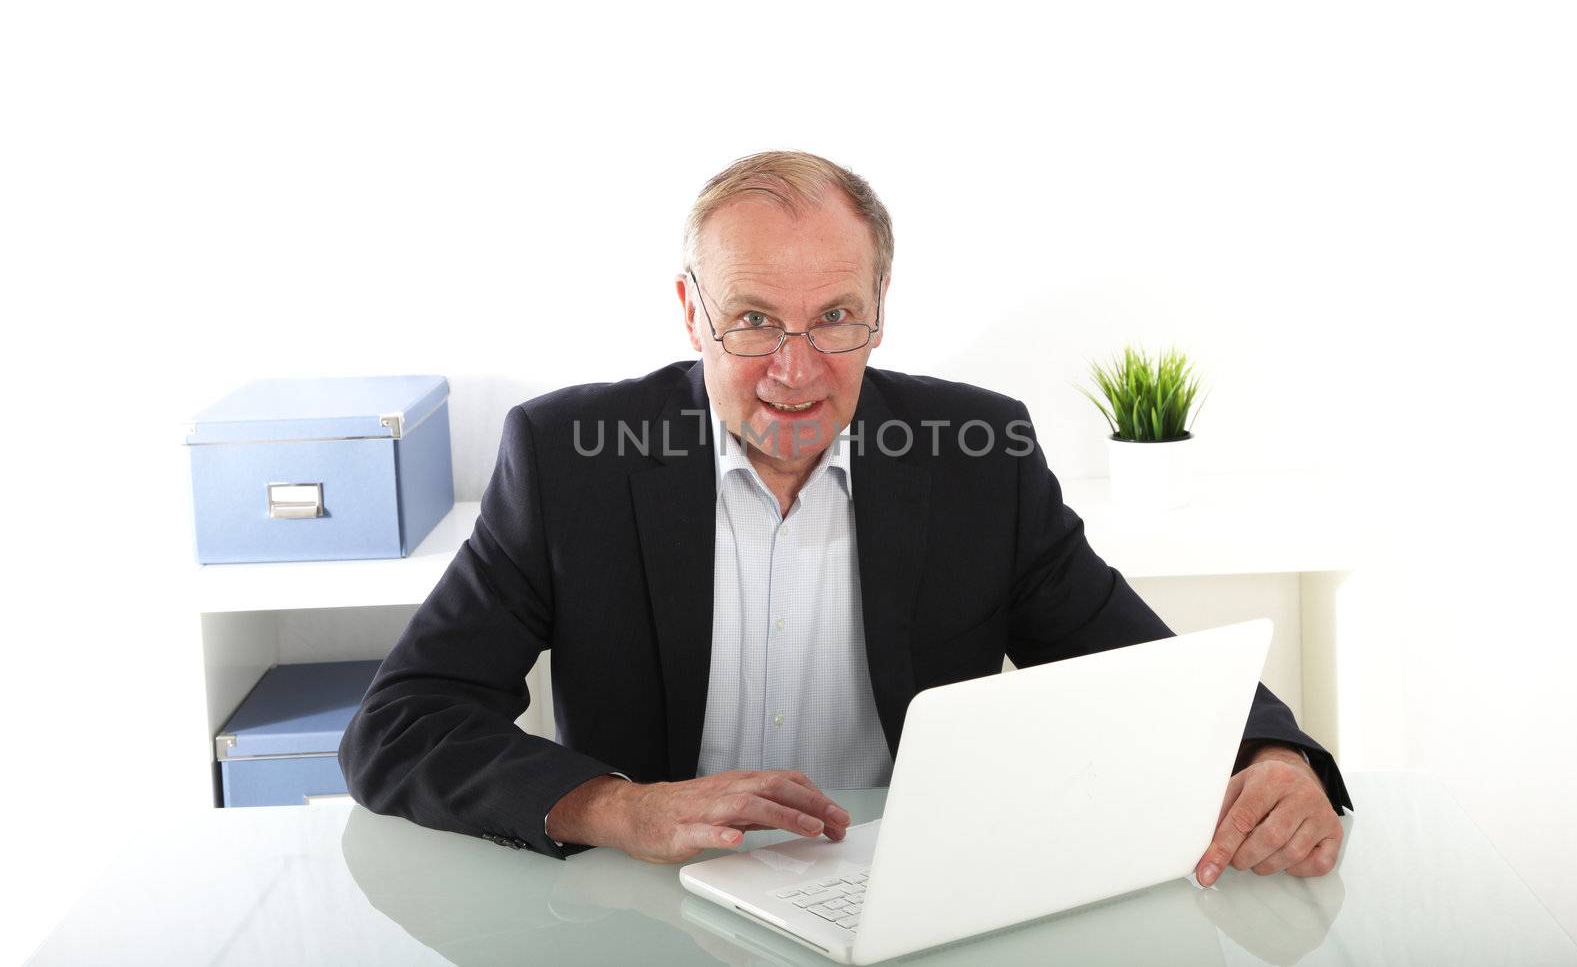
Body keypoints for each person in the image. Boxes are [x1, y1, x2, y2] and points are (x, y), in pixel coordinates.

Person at [338, 151, 1351, 884]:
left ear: (879, 303)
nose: (795, 366)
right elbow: (400, 725)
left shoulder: (977, 452)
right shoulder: (570, 459)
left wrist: (1274, 754)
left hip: (904, 895)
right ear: (691, 311)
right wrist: (621, 805)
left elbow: (1138, 665)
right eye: (751, 320)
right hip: (647, 899)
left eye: (834, 316)